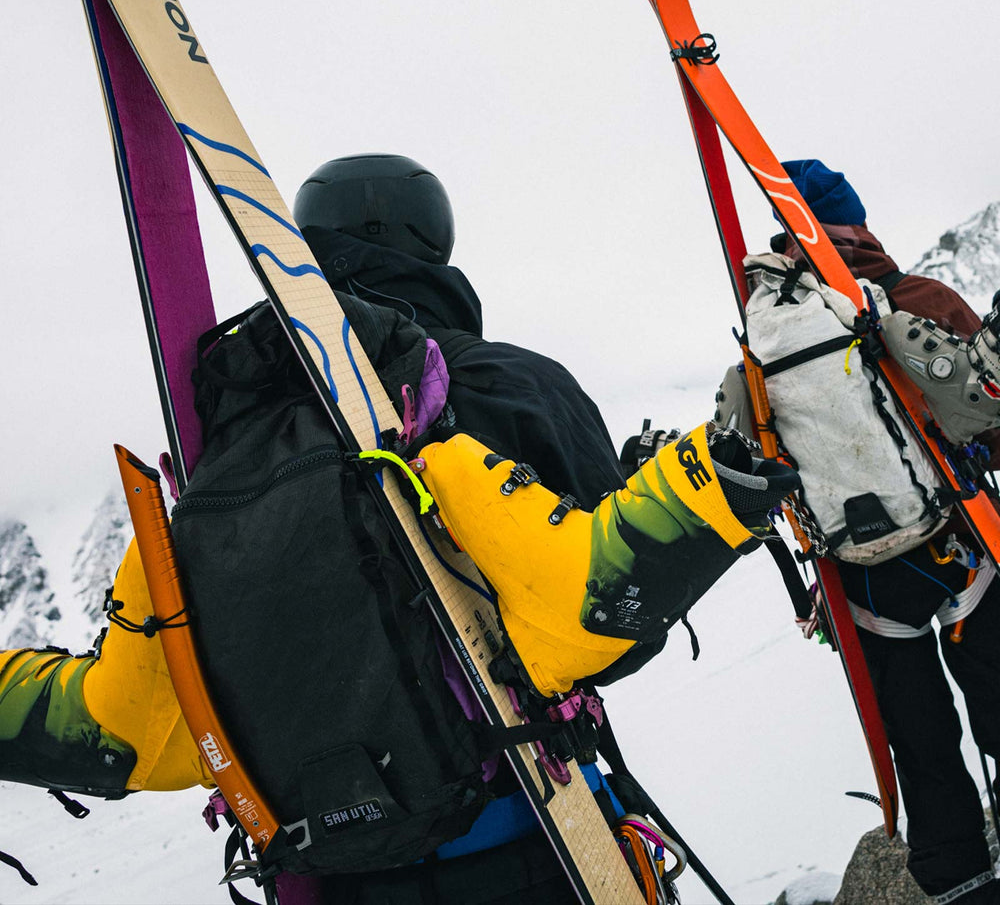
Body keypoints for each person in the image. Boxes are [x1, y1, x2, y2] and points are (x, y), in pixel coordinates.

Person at [0, 154, 792, 904]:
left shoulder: (233, 442)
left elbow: (142, 712)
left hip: (339, 873)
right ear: (433, 243)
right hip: (538, 841)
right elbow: (614, 631)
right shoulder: (506, 380)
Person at [721, 159, 1000, 905]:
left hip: (865, 586)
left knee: (921, 747)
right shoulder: (916, 300)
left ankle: (960, 881)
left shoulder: (765, 337)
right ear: (858, 225)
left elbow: (750, 454)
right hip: (964, 549)